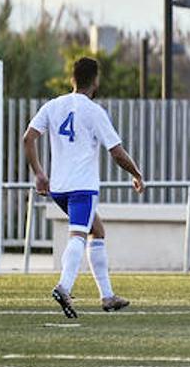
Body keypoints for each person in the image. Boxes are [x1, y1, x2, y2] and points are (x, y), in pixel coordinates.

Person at [23, 57, 145, 317]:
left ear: (72, 80)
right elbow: (117, 153)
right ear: (96, 81)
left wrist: (40, 174)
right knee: (78, 235)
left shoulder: (53, 106)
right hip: (82, 188)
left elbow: (28, 138)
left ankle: (108, 296)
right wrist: (136, 173)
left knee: (96, 231)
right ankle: (64, 286)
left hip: (59, 188)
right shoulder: (94, 111)